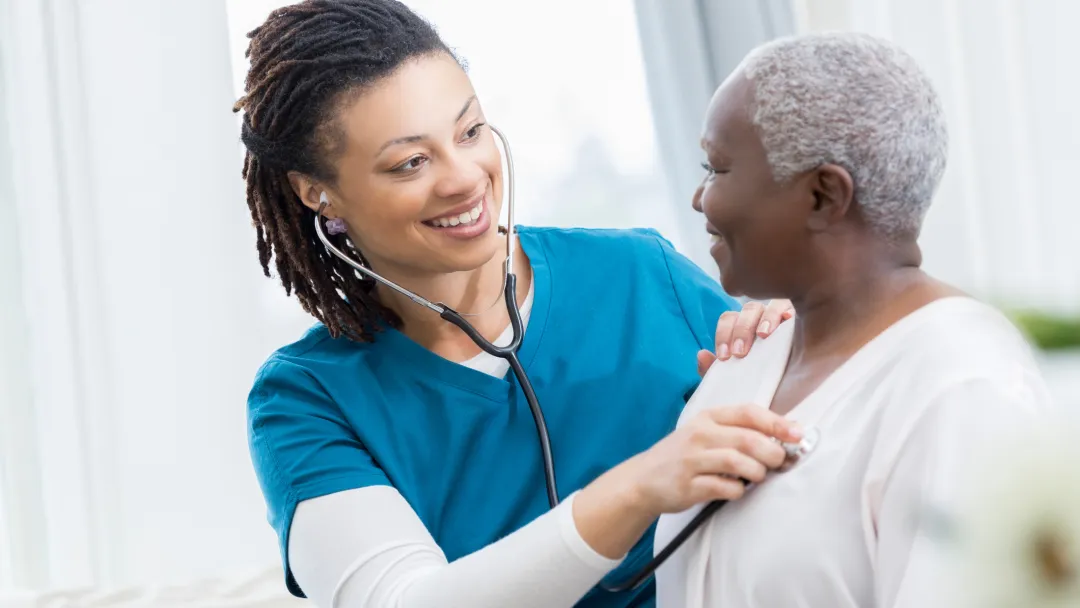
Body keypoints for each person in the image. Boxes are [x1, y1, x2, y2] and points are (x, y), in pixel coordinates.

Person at [235, 2, 798, 606]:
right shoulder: (306, 400)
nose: (465, 178)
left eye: (470, 132)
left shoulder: (641, 276)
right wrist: (641, 485)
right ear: (319, 192)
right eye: (411, 163)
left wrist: (786, 351)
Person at [654, 32, 1057, 608]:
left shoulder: (965, 387)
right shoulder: (752, 357)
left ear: (823, 196)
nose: (699, 199)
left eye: (716, 168)